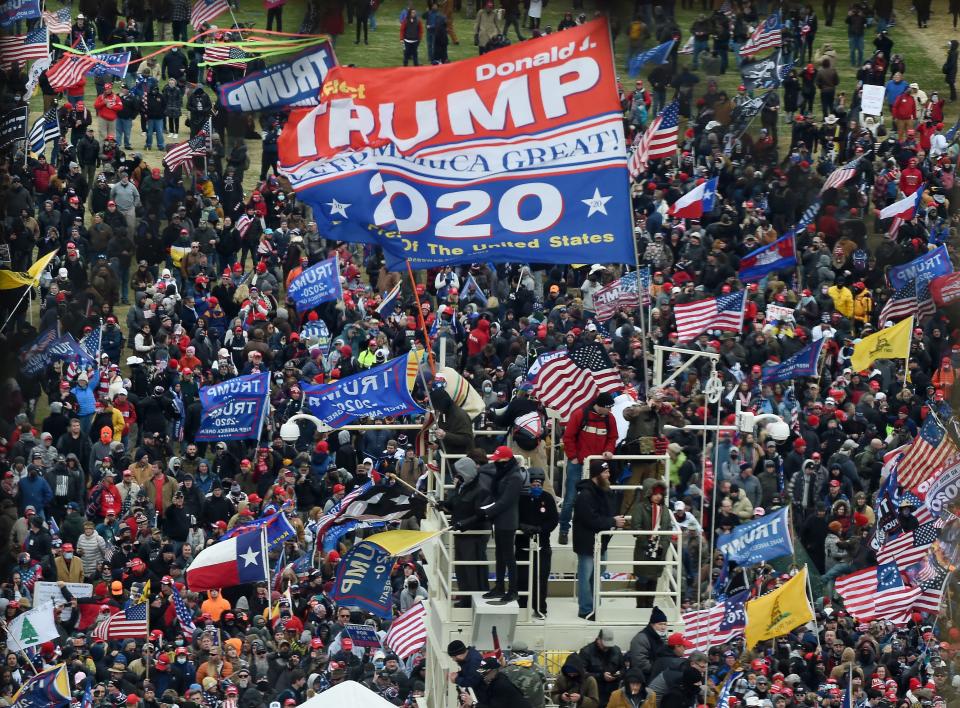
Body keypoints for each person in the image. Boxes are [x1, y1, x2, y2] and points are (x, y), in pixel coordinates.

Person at [560, 392, 618, 545]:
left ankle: (599, 529)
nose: (610, 411)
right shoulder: (579, 415)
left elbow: (613, 437)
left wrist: (609, 450)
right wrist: (573, 457)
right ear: (600, 406)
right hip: (578, 464)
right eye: (608, 408)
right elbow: (568, 437)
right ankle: (564, 530)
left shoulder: (609, 419)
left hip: (598, 467)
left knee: (601, 499)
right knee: (570, 499)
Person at [573, 460, 625, 620]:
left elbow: (605, 514)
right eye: (606, 472)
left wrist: (613, 520)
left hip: (599, 542)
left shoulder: (604, 491)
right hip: (587, 543)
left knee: (598, 573)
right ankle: (586, 610)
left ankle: (595, 606)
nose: (609, 475)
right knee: (586, 576)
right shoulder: (585, 495)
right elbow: (591, 519)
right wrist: (612, 521)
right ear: (597, 475)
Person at [479, 446, 524, 604]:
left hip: (507, 521)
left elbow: (505, 501)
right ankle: (499, 586)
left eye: (499, 461)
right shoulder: (504, 473)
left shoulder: (515, 477)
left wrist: (486, 512)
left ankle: (512, 590)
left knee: (508, 556)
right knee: (500, 554)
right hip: (499, 520)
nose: (496, 463)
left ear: (506, 460)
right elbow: (495, 496)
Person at [445, 455, 492, 606]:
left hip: (473, 536)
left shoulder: (481, 490)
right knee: (461, 568)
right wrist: (445, 504)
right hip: (461, 534)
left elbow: (481, 515)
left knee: (473, 570)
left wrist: (463, 524)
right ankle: (465, 598)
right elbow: (457, 503)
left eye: (460, 472)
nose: (457, 476)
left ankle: (474, 600)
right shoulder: (463, 486)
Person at [516, 467, 558, 618]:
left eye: (539, 484)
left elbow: (553, 520)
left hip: (542, 546)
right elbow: (514, 518)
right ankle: (521, 607)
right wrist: (523, 527)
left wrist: (540, 529)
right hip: (523, 546)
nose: (536, 487)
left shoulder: (547, 498)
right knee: (522, 577)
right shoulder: (520, 498)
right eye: (534, 484)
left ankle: (540, 608)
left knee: (541, 578)